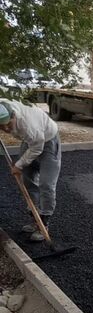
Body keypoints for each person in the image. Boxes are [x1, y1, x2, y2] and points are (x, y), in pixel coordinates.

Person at [0, 99, 61, 242]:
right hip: (30, 141)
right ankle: (35, 219)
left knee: (47, 184)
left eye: (9, 124)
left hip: (47, 140)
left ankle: (44, 223)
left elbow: (36, 148)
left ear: (13, 116)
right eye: (2, 127)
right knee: (27, 180)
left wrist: (19, 165)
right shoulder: (3, 106)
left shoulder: (29, 126)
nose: (7, 129)